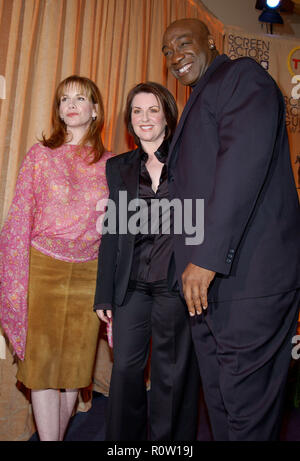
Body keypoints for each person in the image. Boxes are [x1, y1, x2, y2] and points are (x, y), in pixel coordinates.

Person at [161, 18, 300, 441]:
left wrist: (204, 257)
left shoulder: (241, 76)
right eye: (167, 52)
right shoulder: (200, 98)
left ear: (211, 40)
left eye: (183, 43)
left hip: (247, 279)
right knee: (221, 405)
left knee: (246, 414)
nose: (174, 56)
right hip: (208, 288)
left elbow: (242, 165)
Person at [0, 75, 113, 441]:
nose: (71, 105)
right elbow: (20, 214)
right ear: (59, 110)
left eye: (80, 98)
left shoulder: (112, 164)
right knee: (43, 369)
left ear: (95, 110)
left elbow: (118, 227)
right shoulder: (40, 155)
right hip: (44, 269)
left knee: (73, 373)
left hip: (89, 275)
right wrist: (15, 277)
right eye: (64, 99)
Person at [94, 82, 200, 441]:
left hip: (174, 285)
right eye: (137, 111)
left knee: (171, 375)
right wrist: (103, 295)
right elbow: (111, 233)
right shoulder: (118, 168)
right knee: (124, 371)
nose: (145, 118)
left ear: (167, 115)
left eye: (153, 109)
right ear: (129, 120)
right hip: (131, 287)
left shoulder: (191, 161)